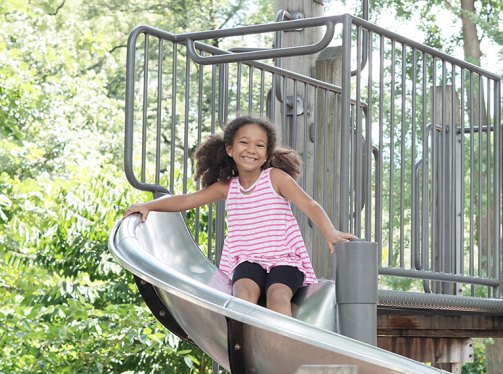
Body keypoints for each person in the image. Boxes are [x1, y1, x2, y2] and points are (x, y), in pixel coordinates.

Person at [123, 115, 356, 316]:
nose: (251, 150)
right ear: (230, 149)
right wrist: (149, 206)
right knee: (242, 294)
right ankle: (246, 346)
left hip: (285, 259)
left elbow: (310, 204)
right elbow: (187, 200)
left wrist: (330, 232)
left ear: (266, 154)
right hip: (248, 259)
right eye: (244, 142)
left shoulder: (275, 178)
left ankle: (283, 347)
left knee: (277, 297)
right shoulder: (227, 187)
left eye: (260, 145)